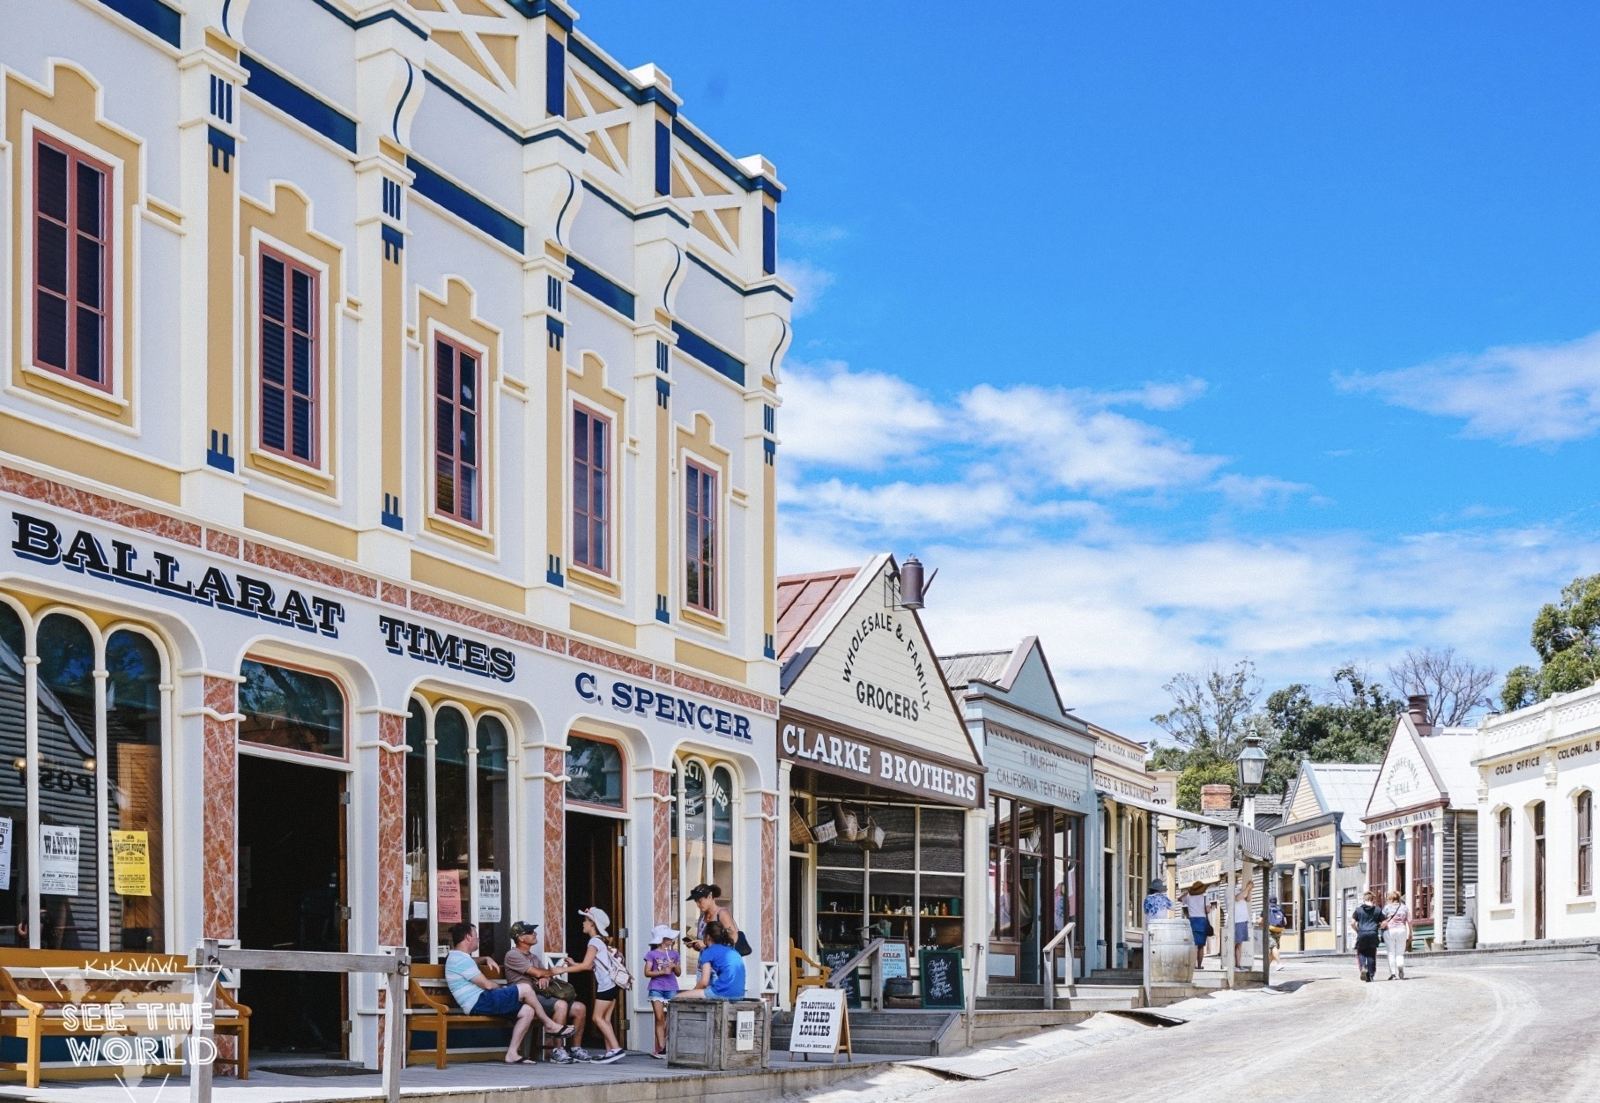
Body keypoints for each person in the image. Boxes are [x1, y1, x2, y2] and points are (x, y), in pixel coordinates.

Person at [442, 922, 572, 1064]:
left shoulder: (458, 957)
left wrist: (486, 958)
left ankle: (512, 1054)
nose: (478, 939)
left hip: (482, 1000)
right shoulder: (460, 959)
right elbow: (487, 985)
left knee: (527, 1011)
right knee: (525, 988)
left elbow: (471, 961)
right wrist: (502, 989)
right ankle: (549, 1024)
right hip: (478, 1001)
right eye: (476, 936)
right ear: (468, 937)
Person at [501, 920, 590, 1064]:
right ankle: (557, 1051)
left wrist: (546, 977)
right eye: (530, 932)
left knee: (580, 1008)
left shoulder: (533, 957)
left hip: (541, 995)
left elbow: (544, 974)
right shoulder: (513, 955)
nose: (535, 933)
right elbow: (537, 972)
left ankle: (575, 1048)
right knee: (560, 1005)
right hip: (525, 999)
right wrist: (545, 974)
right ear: (520, 938)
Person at [564, 907, 625, 1063]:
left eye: (585, 920)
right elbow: (592, 965)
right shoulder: (600, 941)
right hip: (612, 984)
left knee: (597, 1018)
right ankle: (610, 1051)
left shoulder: (594, 941)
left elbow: (585, 966)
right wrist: (574, 963)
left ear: (592, 923)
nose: (583, 923)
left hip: (605, 986)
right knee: (605, 1019)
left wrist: (560, 969)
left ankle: (616, 1049)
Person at [677, 921, 745, 1000]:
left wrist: (692, 994)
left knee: (677, 997)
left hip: (722, 993)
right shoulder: (732, 950)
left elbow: (704, 983)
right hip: (739, 995)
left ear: (707, 936)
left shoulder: (708, 951)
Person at [643, 924, 681, 1059]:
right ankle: (661, 1048)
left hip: (671, 987)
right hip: (656, 988)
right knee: (659, 1018)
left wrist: (674, 966)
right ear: (662, 939)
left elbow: (679, 973)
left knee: (670, 1018)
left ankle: (666, 1045)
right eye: (669, 938)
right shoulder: (651, 954)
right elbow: (647, 972)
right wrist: (662, 971)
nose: (671, 940)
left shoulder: (674, 954)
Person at [685, 884, 743, 954]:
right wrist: (695, 945)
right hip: (705, 962)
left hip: (719, 962)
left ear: (709, 897)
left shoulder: (722, 914)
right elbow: (703, 944)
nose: (697, 905)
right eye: (696, 902)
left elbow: (733, 940)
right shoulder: (702, 916)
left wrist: (707, 945)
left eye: (700, 901)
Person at [1349, 891, 1385, 982]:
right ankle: (1371, 975)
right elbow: (1384, 922)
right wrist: (1379, 927)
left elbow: (1352, 923)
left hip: (1362, 933)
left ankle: (1363, 967)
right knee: (1371, 954)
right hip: (1373, 933)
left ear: (1364, 899)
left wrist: (1357, 930)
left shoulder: (1358, 910)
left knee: (1361, 952)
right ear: (1372, 899)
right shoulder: (1378, 910)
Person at [1381, 890, 1411, 981]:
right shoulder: (1404, 908)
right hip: (1402, 930)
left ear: (1390, 899)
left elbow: (1382, 919)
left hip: (1390, 931)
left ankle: (1393, 974)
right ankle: (1400, 964)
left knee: (1391, 952)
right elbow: (1409, 921)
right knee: (1400, 952)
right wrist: (1411, 933)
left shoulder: (1387, 908)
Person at [1179, 881, 1210, 968]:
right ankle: (1199, 965)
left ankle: (1192, 965)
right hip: (1202, 922)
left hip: (1192, 921)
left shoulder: (1189, 897)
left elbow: (1179, 899)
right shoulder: (1204, 898)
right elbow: (1207, 910)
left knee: (1193, 945)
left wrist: (1185, 893)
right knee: (1201, 946)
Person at [1232, 884, 1252, 969]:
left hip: (1243, 920)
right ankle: (1232, 963)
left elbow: (1248, 899)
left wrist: (1250, 889)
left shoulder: (1243, 890)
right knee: (1234, 943)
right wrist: (1247, 888)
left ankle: (1238, 964)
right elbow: (1237, 898)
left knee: (1239, 944)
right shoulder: (1233, 890)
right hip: (1236, 920)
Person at [1265, 896, 1287, 964]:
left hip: (1270, 930)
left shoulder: (1267, 909)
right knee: (1273, 948)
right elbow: (1285, 922)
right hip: (1279, 930)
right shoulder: (1280, 909)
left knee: (1273, 947)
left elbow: (1262, 920)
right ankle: (1267, 966)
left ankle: (1278, 964)